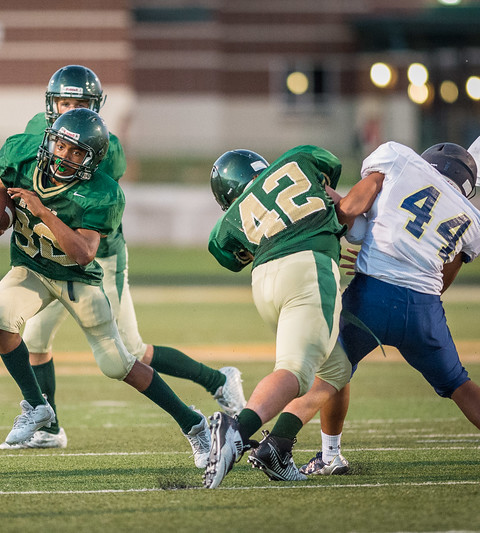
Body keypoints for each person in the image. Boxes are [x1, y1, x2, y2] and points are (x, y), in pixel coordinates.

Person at [4, 64, 245, 449]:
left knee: (129, 350)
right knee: (34, 337)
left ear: (95, 107)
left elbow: (83, 198)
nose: (69, 110)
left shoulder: (107, 146)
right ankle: (49, 429)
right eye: (63, 102)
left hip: (99, 256)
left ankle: (217, 380)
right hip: (51, 256)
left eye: (78, 103)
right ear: (50, 104)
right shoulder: (37, 128)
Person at [0, 107, 213, 467]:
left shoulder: (101, 193)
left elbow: (83, 254)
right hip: (32, 268)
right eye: (62, 146)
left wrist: (42, 210)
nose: (65, 157)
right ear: (51, 140)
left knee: (117, 363)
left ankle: (194, 424)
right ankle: (36, 405)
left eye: (77, 152)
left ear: (93, 160)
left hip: (75, 278)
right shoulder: (23, 155)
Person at [293, 141, 480, 476]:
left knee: (333, 371)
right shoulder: (471, 218)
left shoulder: (400, 159)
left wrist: (367, 251)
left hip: (372, 297)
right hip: (423, 311)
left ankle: (318, 451)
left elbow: (352, 209)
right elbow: (440, 282)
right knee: (459, 384)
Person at [203, 146, 352, 488]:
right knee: (296, 370)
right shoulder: (300, 159)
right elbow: (336, 192)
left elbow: (227, 253)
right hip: (308, 266)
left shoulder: (229, 219)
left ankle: (278, 447)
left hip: (265, 281)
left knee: (335, 368)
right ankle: (235, 430)